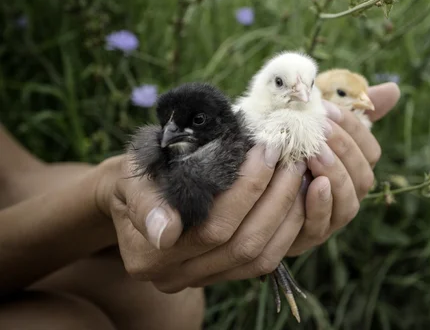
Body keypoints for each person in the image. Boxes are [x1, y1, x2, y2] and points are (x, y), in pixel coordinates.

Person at [0, 83, 400, 329]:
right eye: (167, 124)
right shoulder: (171, 148)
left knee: (163, 303)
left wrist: (109, 205)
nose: (168, 132)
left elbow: (16, 178)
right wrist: (100, 198)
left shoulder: (234, 137)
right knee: (68, 324)